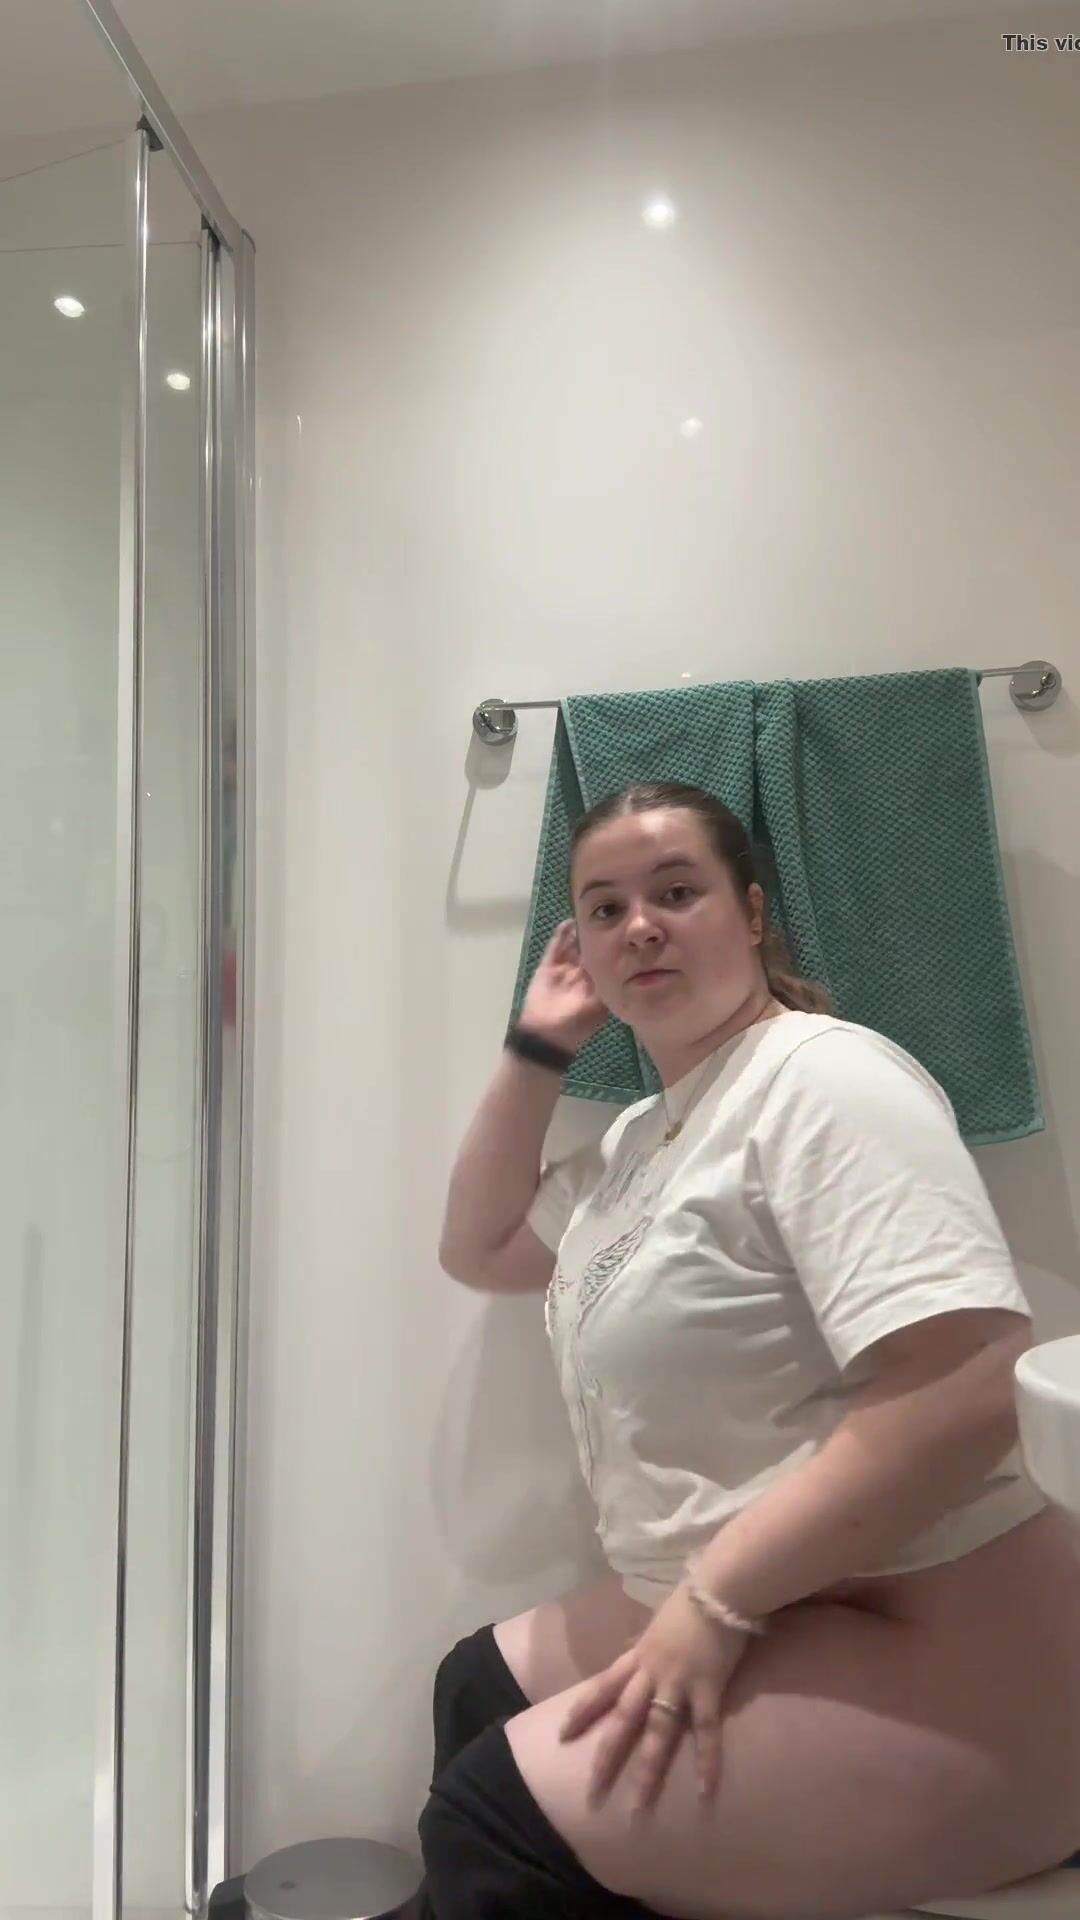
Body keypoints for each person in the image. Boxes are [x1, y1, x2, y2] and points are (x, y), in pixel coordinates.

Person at [419, 781, 1080, 1920]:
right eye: (605, 908)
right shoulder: (645, 1136)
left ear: (754, 913)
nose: (640, 926)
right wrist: (536, 1045)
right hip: (803, 1599)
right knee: (475, 1685)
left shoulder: (827, 1080)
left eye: (677, 892)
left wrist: (714, 1606)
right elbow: (477, 1247)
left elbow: (970, 1385)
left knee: (490, 1822)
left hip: (949, 1641)